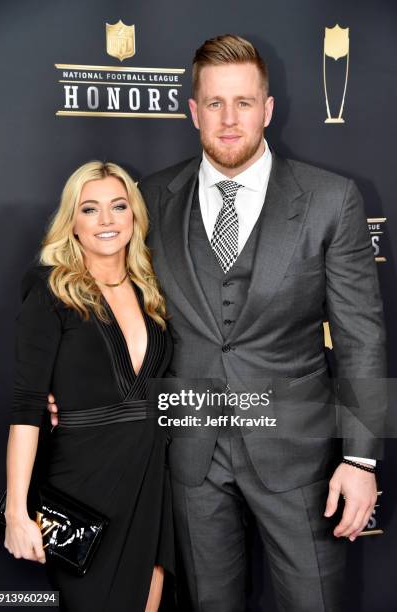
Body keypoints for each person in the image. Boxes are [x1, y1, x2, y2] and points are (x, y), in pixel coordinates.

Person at [49, 35, 386, 611]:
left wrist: (361, 459)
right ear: (192, 110)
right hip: (189, 454)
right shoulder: (150, 198)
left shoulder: (332, 200)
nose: (230, 120)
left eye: (244, 103)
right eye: (214, 103)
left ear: (268, 109)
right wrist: (78, 395)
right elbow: (114, 309)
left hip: (298, 453)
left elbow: (361, 338)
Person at [4, 161, 174, 612]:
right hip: (82, 491)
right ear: (72, 223)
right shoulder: (50, 291)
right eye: (90, 209)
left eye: (118, 207)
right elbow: (26, 408)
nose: (106, 221)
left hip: (154, 481)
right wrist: (18, 512)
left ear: (134, 216)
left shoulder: (153, 290)